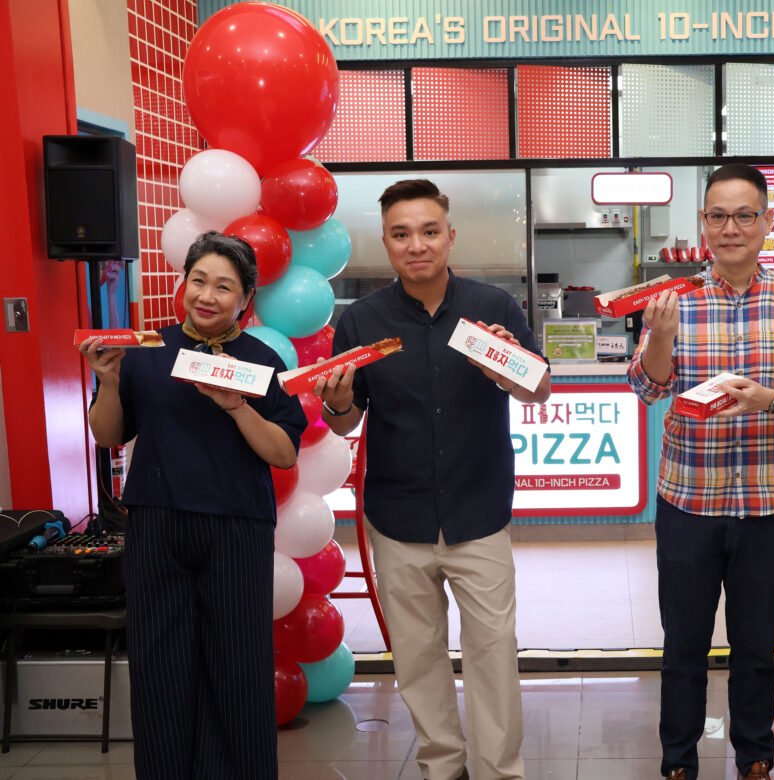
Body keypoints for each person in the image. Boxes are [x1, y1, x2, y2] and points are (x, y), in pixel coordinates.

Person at [316, 178, 551, 780]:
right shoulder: (362, 320)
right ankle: (443, 768)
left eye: (428, 231)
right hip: (399, 517)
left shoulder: (494, 308)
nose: (416, 245)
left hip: (479, 513)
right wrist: (336, 402)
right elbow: (346, 421)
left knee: (493, 654)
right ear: (387, 243)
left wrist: (507, 362)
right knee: (418, 660)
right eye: (401, 234)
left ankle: (500, 770)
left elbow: (538, 389)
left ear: (449, 236)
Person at [628, 163, 774, 780]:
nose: (731, 227)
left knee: (756, 643)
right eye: (718, 215)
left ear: (769, 222)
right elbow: (645, 386)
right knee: (684, 642)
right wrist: (660, 338)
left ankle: (755, 754)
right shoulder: (673, 300)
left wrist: (773, 399)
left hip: (768, 503)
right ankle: (678, 759)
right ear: (704, 224)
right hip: (688, 501)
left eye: (746, 215)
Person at [81, 231, 307, 780]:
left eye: (224, 287)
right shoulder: (146, 351)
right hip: (157, 524)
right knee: (160, 667)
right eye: (198, 281)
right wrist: (108, 381)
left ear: (246, 299)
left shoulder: (262, 361)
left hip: (236, 528)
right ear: (183, 284)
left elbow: (283, 453)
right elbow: (108, 434)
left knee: (237, 668)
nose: (207, 295)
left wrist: (237, 407)